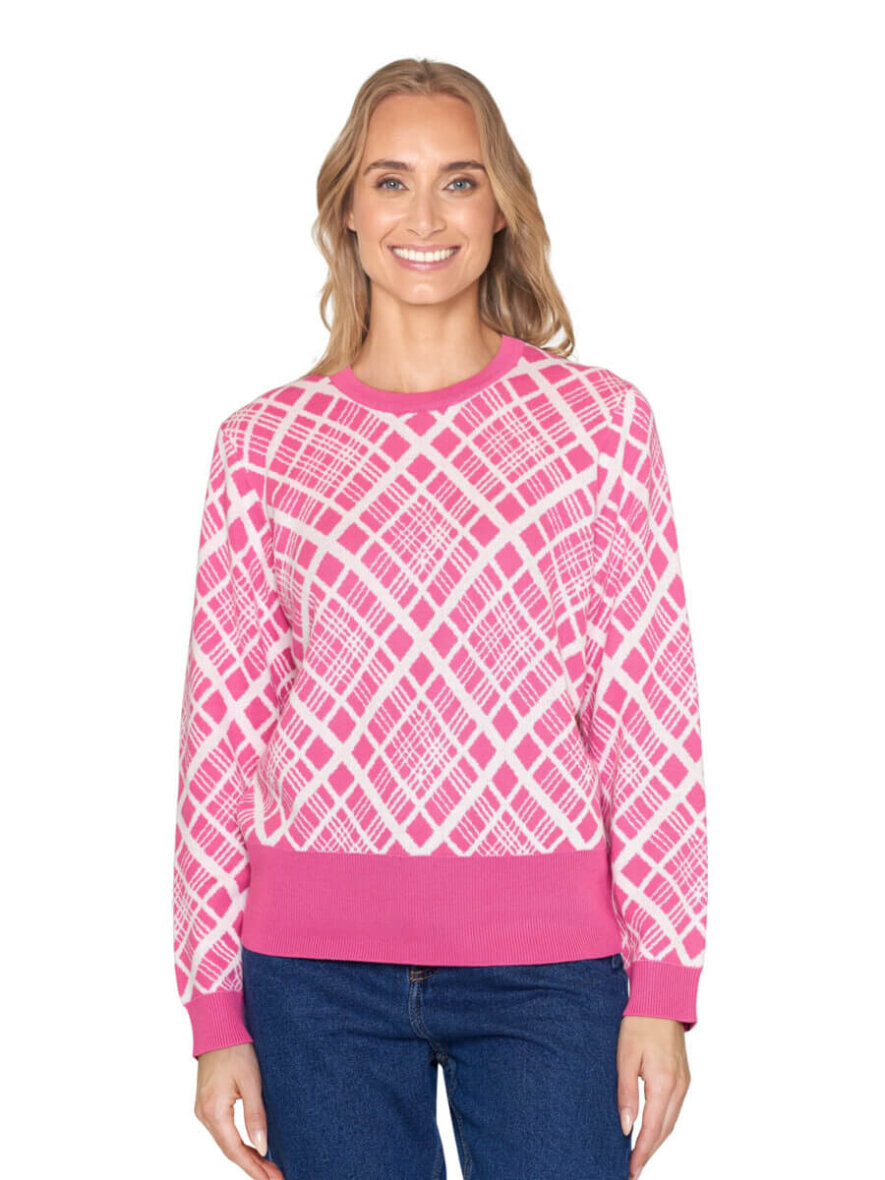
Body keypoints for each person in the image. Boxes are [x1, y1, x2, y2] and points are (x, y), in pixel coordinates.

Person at [173, 57, 708, 1180]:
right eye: (391, 182)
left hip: (550, 972)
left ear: (500, 206)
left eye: (459, 181)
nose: (424, 217)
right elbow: (219, 740)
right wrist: (214, 1012)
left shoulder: (599, 426)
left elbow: (648, 714)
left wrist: (663, 987)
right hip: (312, 980)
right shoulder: (263, 446)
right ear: (346, 210)